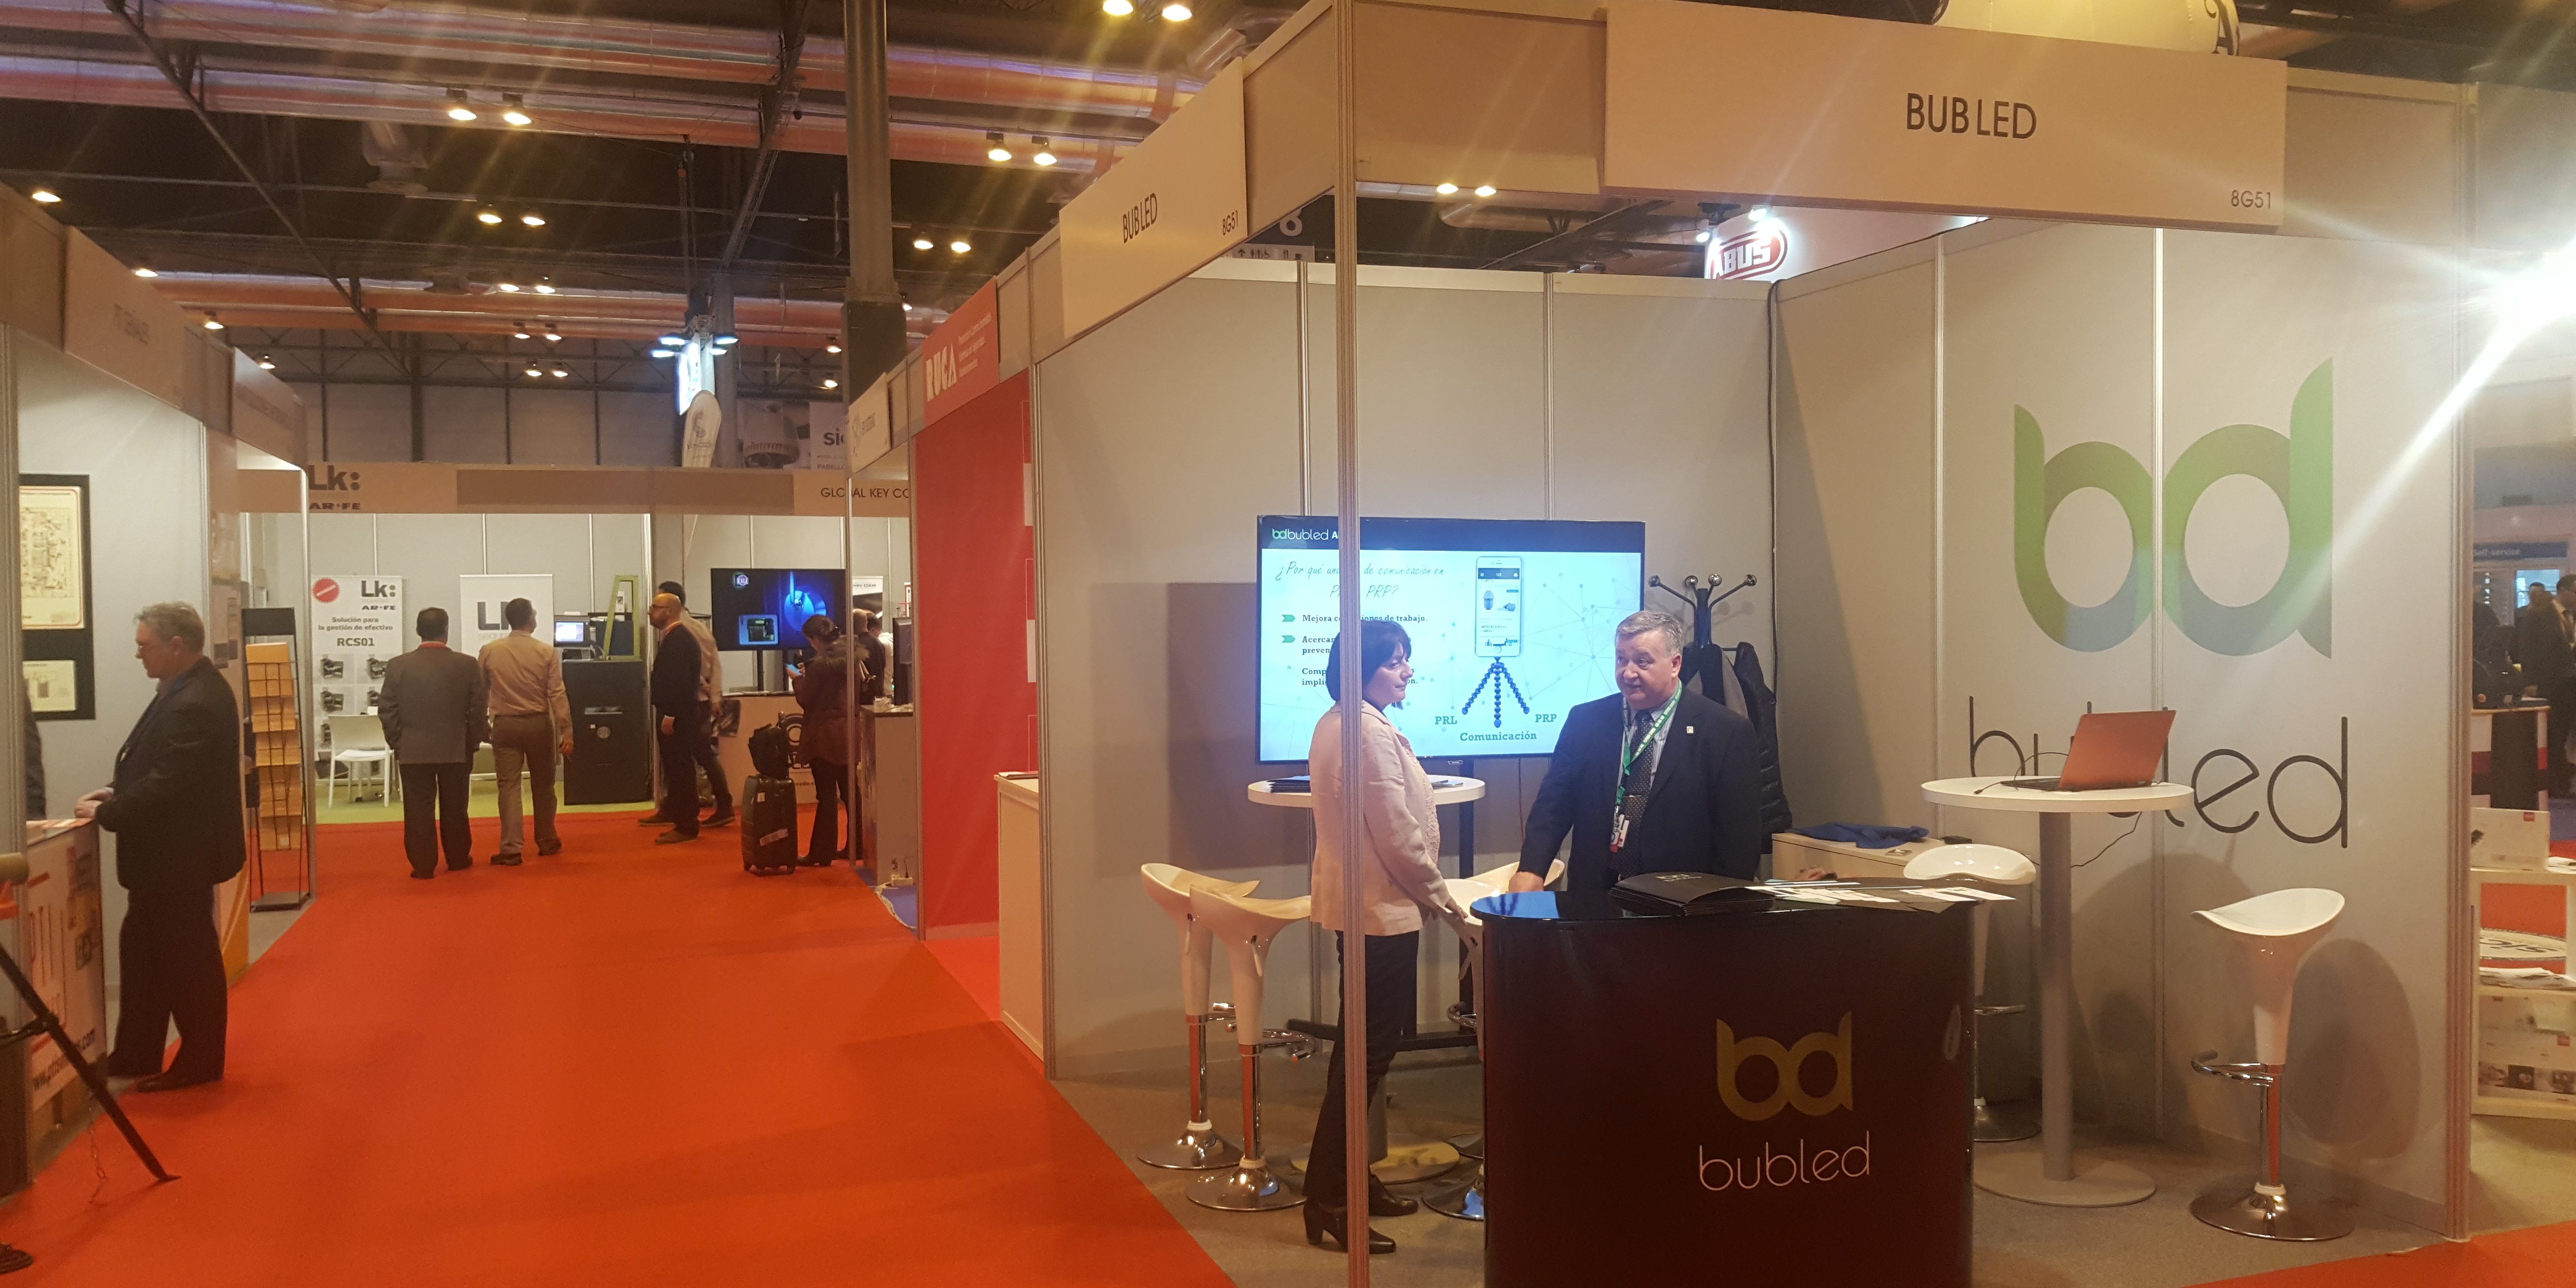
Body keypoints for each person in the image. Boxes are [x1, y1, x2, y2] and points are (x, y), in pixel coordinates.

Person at [1302, 619, 1463, 1256]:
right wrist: (1442, 899)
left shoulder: (1342, 721)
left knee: (1362, 1054)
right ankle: (1330, 1198)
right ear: (1362, 667)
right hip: (1381, 913)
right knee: (1363, 1059)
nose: (1407, 671)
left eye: (1406, 659)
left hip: (1370, 910)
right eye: (1395, 661)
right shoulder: (1364, 731)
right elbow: (1397, 835)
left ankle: (1348, 1183)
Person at [76, 603, 241, 1092]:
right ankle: (137, 1050)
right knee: (144, 956)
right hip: (164, 859)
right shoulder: (182, 690)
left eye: (145, 646)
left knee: (188, 962)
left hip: (179, 857)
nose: (138, 654)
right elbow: (154, 764)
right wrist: (116, 791)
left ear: (176, 646)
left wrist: (109, 814)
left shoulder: (195, 701)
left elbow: (170, 783)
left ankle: (200, 1060)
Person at [1510, 609, 1764, 894]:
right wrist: (1531, 869)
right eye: (1621, 659)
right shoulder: (1585, 722)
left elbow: (1738, 839)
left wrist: (1723, 904)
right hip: (1594, 895)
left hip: (1680, 901)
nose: (1628, 673)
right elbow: (1554, 804)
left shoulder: (1725, 732)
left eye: (1642, 661)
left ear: (1675, 664)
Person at [380, 607, 487, 879]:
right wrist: (471, 743)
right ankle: (458, 859)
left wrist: (399, 743)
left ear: (418, 631)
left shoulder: (397, 666)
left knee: (417, 810)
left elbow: (387, 710)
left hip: (413, 750)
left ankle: (423, 865)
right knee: (456, 808)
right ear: (446, 630)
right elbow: (478, 710)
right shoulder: (467, 664)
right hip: (456, 748)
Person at [479, 597, 571, 865]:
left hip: (505, 725)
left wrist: (482, 723)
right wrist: (567, 731)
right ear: (531, 619)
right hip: (539, 724)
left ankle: (511, 848)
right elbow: (557, 694)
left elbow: (480, 691)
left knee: (508, 786)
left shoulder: (490, 650)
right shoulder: (545, 652)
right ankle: (547, 840)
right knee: (544, 786)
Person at [640, 581, 733, 829]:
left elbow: (694, 667)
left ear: (672, 605)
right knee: (686, 757)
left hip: (690, 703)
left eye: (657, 603)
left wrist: (709, 692)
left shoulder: (687, 630)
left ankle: (712, 807)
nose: (651, 610)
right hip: (693, 701)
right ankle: (676, 808)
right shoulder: (690, 628)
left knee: (691, 757)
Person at [789, 614, 854, 867]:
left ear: (815, 639)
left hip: (824, 735)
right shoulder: (851, 660)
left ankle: (821, 853)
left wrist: (797, 679)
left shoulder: (818, 667)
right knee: (851, 794)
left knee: (826, 795)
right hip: (847, 730)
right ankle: (858, 846)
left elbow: (807, 699)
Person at [648, 592, 705, 845]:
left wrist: (670, 714)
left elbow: (679, 683)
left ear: (669, 611)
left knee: (680, 769)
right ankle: (679, 816)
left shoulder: (679, 641)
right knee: (676, 768)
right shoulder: (675, 638)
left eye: (655, 607)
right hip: (677, 713)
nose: (650, 612)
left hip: (677, 716)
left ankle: (687, 825)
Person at [2514, 580, 2573, 792]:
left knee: (2565, 735)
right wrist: (2530, 682)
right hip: (2550, 682)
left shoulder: (2571, 616)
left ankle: (2563, 781)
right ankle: (2556, 784)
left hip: (2571, 683)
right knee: (2553, 734)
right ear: (2563, 590)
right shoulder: (2539, 614)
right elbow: (2527, 649)